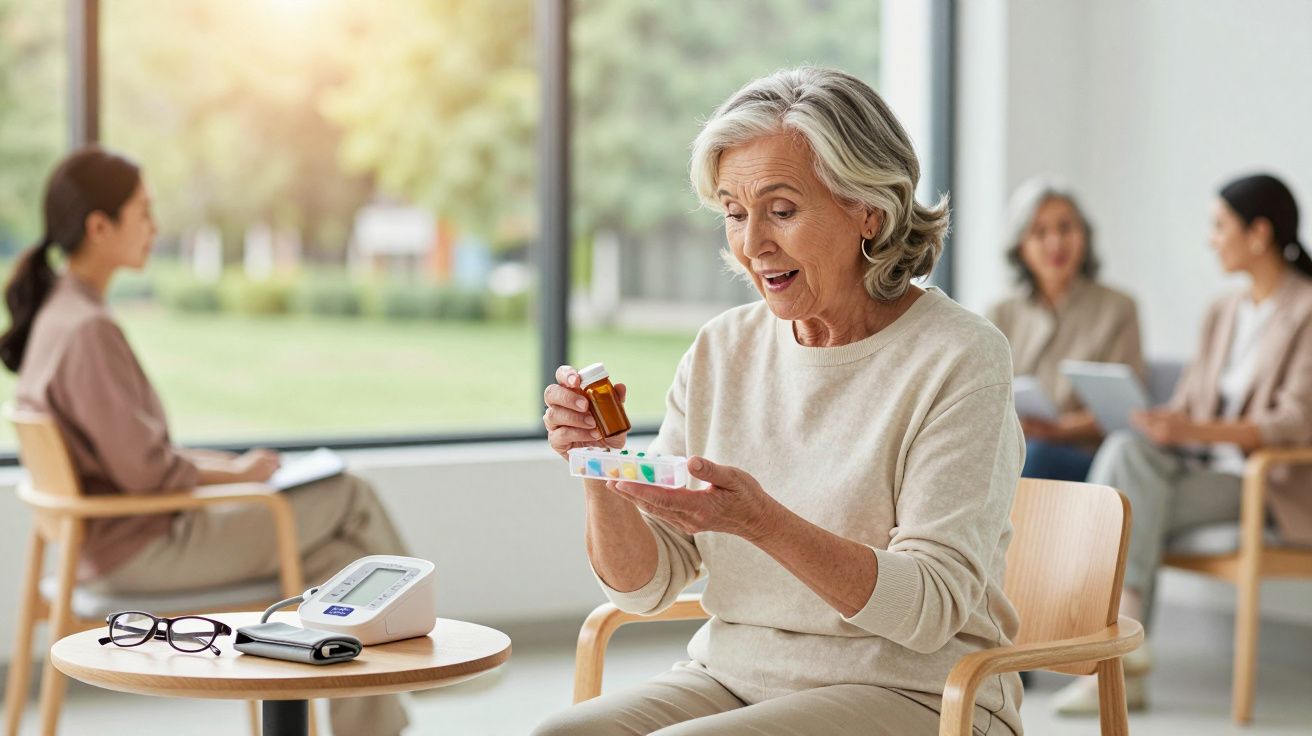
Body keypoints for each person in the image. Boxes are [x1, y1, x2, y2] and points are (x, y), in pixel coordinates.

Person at [535, 67, 1024, 736]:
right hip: (733, 678)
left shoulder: (960, 356)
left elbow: (931, 608)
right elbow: (644, 586)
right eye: (736, 213)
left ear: (868, 210)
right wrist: (598, 467)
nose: (753, 242)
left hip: (912, 692)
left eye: (782, 210)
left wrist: (761, 522)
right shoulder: (722, 348)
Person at [2, 146, 412, 736]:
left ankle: (376, 724)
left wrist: (233, 466)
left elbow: (137, 454)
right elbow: (147, 473)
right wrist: (241, 477)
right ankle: (424, 664)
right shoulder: (88, 330)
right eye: (143, 213)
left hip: (102, 546)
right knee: (351, 493)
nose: (155, 227)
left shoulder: (59, 315)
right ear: (99, 226)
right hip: (143, 550)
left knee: (333, 564)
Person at [1053, 173, 1312, 715]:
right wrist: (1164, 420)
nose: (1212, 238)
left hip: (1261, 481)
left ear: (1259, 233)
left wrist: (1192, 432)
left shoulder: (1306, 309)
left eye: (1220, 226)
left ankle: (1114, 648)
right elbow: (1193, 400)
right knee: (1125, 451)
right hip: (1193, 468)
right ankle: (1126, 651)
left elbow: (1296, 421)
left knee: (1126, 509)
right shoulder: (1224, 311)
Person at [988, 179, 1146, 482]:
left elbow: (1125, 409)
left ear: (1083, 235)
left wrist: (1061, 430)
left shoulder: (1118, 308)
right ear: (1021, 246)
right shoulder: (1001, 313)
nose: (1055, 243)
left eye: (1065, 228)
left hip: (1089, 457)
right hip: (1014, 447)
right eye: (1040, 232)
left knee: (1035, 456)